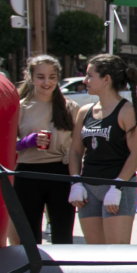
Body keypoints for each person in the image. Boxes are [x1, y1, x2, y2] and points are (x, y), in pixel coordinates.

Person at [69, 53, 137, 245]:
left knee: (116, 253)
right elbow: (76, 151)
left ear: (106, 79)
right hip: (88, 187)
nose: (84, 80)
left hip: (117, 187)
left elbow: (136, 154)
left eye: (90, 75)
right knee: (95, 253)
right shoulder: (84, 111)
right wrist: (75, 182)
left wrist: (118, 185)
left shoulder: (127, 111)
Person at [14, 54, 79, 244]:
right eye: (41, 77)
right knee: (29, 236)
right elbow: (6, 145)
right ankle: (35, 265)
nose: (47, 82)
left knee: (63, 235)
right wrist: (27, 142)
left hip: (61, 171)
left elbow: (78, 146)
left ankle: (62, 265)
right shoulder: (20, 107)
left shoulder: (70, 106)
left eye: (52, 77)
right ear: (30, 77)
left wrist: (77, 179)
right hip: (28, 172)